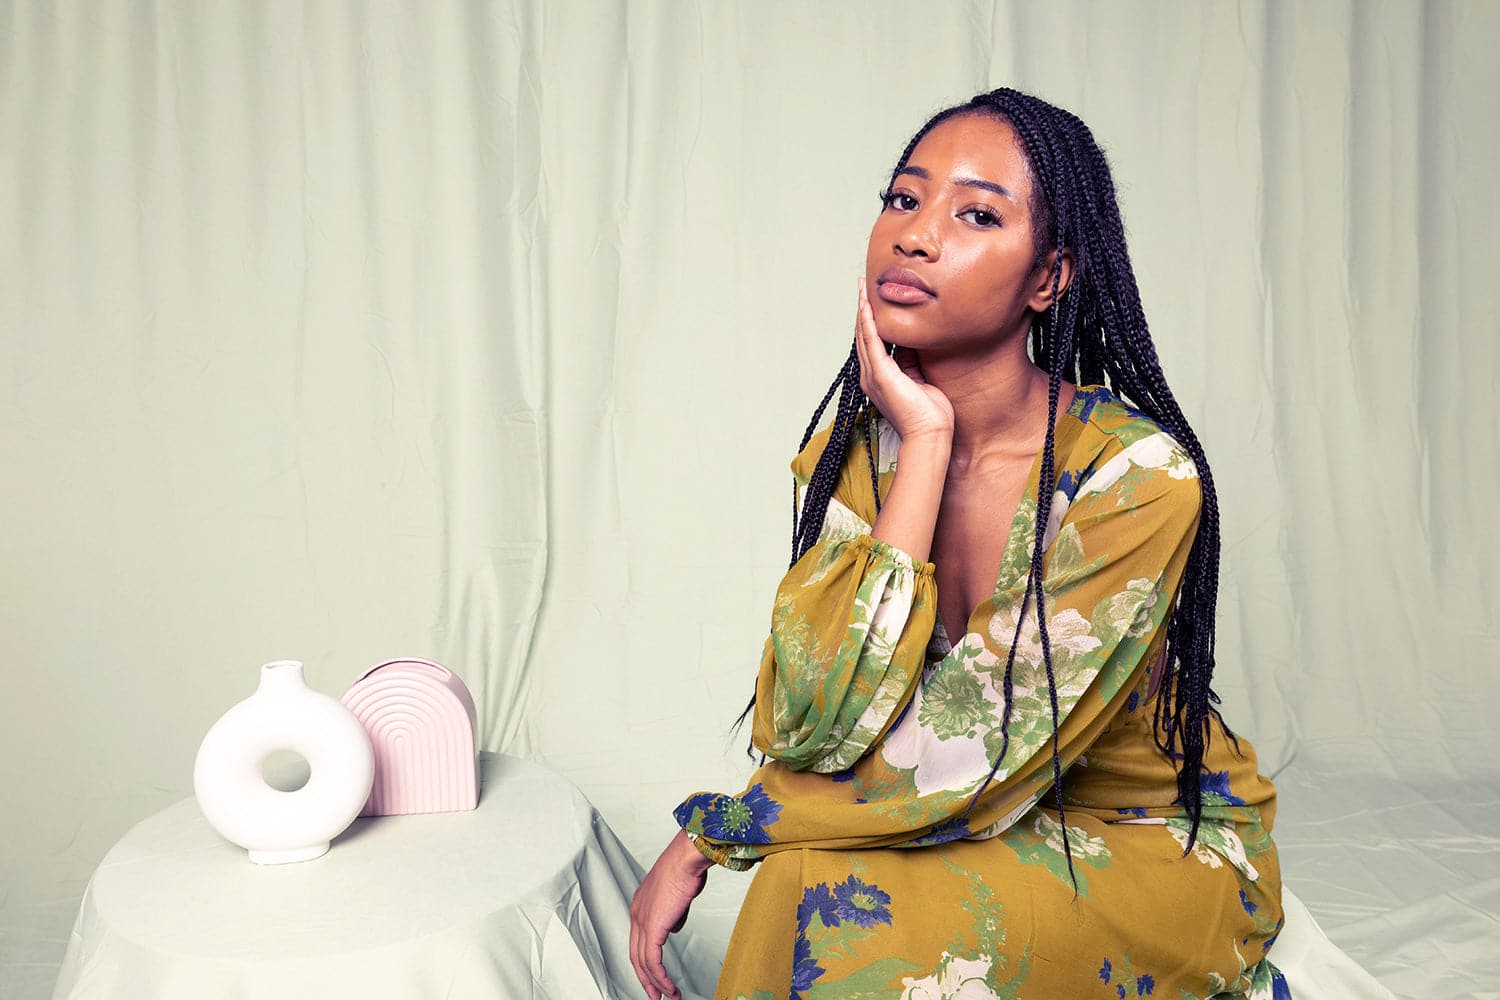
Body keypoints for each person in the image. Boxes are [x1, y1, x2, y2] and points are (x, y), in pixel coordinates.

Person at [629, 87, 1290, 1000]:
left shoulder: (1136, 479)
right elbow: (817, 723)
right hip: (956, 810)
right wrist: (926, 446)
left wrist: (717, 830)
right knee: (804, 879)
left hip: (1139, 834)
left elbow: (978, 747)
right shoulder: (856, 460)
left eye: (977, 214)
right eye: (904, 199)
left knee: (844, 916)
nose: (915, 235)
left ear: (1049, 278)